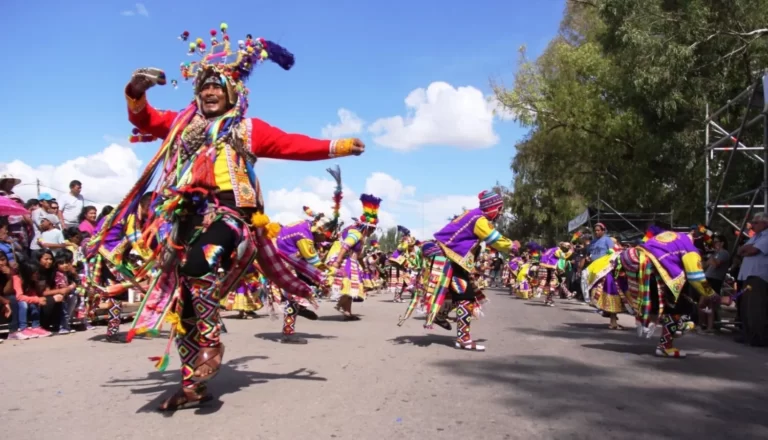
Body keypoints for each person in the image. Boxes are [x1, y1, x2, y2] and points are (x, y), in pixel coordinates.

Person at [88, 24, 365, 411]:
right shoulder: (183, 125)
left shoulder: (249, 129)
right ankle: (193, 387)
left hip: (231, 217)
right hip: (185, 219)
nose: (210, 92)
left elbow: (293, 145)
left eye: (218, 87)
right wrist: (136, 90)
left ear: (233, 92)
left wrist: (337, 146)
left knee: (200, 263)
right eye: (204, 87)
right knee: (182, 306)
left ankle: (212, 340)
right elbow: (145, 119)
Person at [409, 190, 516, 351]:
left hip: (450, 260)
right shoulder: (479, 220)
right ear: (491, 207)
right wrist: (512, 245)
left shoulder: (473, 215)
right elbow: (494, 239)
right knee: (466, 296)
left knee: (461, 295)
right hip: (447, 260)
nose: (500, 213)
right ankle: (463, 338)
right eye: (499, 208)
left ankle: (442, 317)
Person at [620, 229, 716, 358]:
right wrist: (711, 294)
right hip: (653, 272)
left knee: (677, 307)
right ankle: (666, 345)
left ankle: (674, 332)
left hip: (643, 267)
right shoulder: (689, 248)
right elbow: (696, 277)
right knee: (677, 309)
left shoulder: (674, 235)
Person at [326, 194, 382, 319]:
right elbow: (345, 246)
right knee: (349, 287)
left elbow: (360, 256)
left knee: (352, 288)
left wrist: (365, 268)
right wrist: (338, 262)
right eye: (372, 229)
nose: (372, 232)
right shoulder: (355, 233)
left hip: (353, 263)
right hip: (347, 263)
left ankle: (347, 312)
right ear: (366, 227)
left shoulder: (360, 237)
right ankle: (341, 305)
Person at [735, 212, 768, 346]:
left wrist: (746, 249)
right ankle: (748, 334)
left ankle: (758, 337)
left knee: (756, 308)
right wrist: (745, 249)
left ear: (764, 223)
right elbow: (741, 251)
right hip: (747, 276)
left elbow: (753, 251)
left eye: (755, 222)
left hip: (758, 276)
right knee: (745, 307)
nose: (752, 225)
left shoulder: (766, 236)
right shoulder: (755, 237)